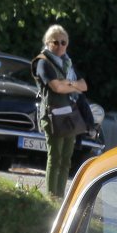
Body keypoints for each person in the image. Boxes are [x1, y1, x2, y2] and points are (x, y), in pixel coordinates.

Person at [32, 25, 89, 199]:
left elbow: (84, 86)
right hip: (52, 115)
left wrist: (68, 84)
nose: (59, 46)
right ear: (47, 43)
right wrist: (72, 85)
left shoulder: (68, 63)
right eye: (55, 42)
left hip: (69, 115)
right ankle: (51, 197)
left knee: (66, 159)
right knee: (55, 157)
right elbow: (56, 87)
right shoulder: (43, 62)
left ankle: (60, 197)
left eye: (63, 42)